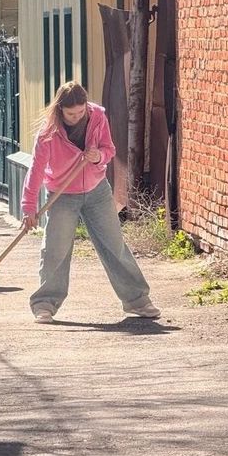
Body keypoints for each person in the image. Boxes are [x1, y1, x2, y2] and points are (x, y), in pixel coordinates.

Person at [21, 81, 160, 323]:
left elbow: (109, 149)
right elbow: (35, 171)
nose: (77, 117)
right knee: (55, 250)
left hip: (97, 191)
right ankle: (44, 304)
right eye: (71, 114)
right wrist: (28, 208)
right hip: (61, 195)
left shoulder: (97, 117)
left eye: (80, 111)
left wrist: (99, 156)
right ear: (60, 110)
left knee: (114, 245)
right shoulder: (48, 134)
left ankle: (138, 300)